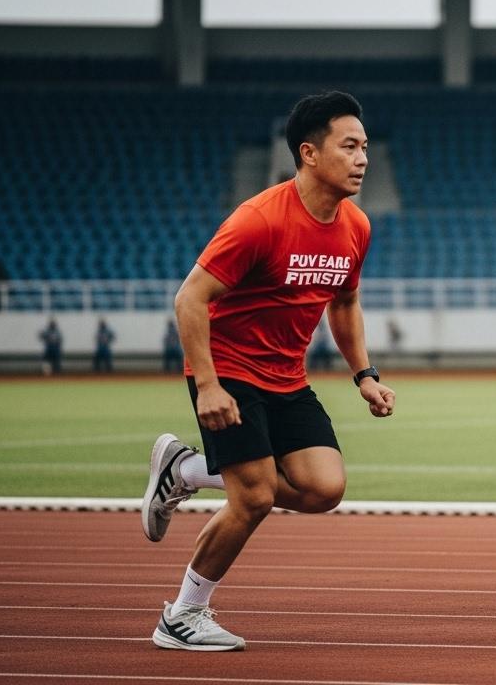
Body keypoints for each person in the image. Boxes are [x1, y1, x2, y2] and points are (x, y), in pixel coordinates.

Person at [139, 91, 396, 651]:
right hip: (227, 370)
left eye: (366, 147)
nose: (362, 159)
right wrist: (206, 383)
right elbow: (189, 299)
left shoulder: (355, 226)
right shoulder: (259, 220)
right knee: (252, 498)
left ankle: (186, 472)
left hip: (286, 376)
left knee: (324, 488)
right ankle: (182, 614)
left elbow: (345, 303)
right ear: (309, 153)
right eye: (349, 146)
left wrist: (365, 375)